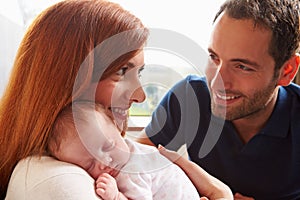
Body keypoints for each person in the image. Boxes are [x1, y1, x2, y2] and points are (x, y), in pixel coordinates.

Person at [136, 0, 300, 199]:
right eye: (214, 58)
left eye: (242, 66)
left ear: (286, 71)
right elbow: (135, 161)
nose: (216, 82)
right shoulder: (190, 97)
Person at [0, 0, 149, 199]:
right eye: (121, 71)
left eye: (139, 73)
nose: (141, 97)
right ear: (65, 77)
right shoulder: (62, 182)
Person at [48, 102, 233, 199]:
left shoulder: (132, 168)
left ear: (117, 126)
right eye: (89, 164)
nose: (105, 163)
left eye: (108, 146)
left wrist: (115, 197)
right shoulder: (131, 152)